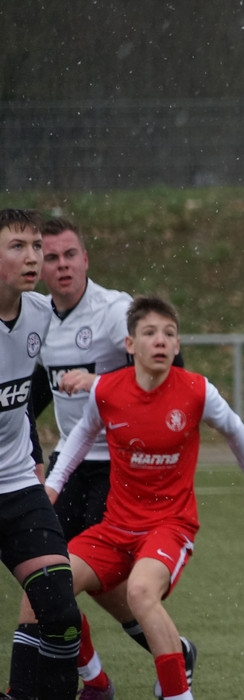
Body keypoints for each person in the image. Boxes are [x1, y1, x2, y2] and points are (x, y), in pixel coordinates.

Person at [44, 295, 244, 700]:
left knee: (140, 592)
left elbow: (234, 428)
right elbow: (80, 438)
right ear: (130, 344)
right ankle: (95, 679)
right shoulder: (107, 391)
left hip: (170, 526)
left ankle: (179, 695)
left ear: (178, 344)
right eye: (149, 333)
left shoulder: (196, 390)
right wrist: (52, 486)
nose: (161, 340)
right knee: (49, 585)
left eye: (169, 333)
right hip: (116, 527)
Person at [9, 219, 196, 700]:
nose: (61, 265)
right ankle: (96, 680)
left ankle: (165, 656)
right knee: (46, 582)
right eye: (51, 257)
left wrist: (101, 383)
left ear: (86, 259)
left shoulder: (114, 312)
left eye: (70, 254)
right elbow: (31, 394)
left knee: (93, 582)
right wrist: (29, 456)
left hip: (117, 467)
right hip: (68, 463)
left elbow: (170, 373)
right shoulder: (38, 315)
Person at [0, 208, 83, 699]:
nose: (33, 257)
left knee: (61, 614)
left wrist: (31, 448)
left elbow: (23, 395)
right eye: (18, 246)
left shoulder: (39, 313)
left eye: (36, 247)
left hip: (17, 486)